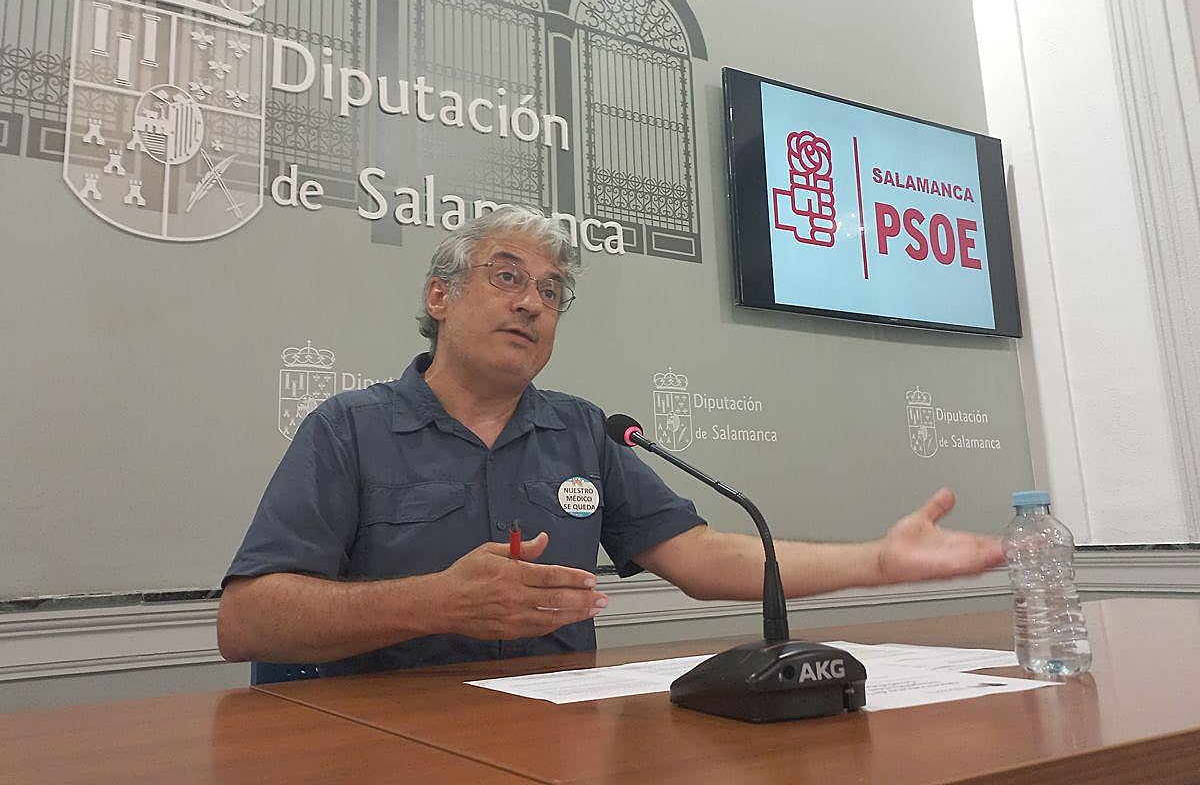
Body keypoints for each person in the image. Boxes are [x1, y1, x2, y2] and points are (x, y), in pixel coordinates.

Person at [217, 205, 1003, 675]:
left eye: (551, 291)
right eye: (506, 276)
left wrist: (877, 562)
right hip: (378, 746)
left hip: (554, 739)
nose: (532, 303)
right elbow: (248, 622)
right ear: (440, 297)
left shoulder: (582, 432)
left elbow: (700, 556)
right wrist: (439, 602)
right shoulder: (347, 430)